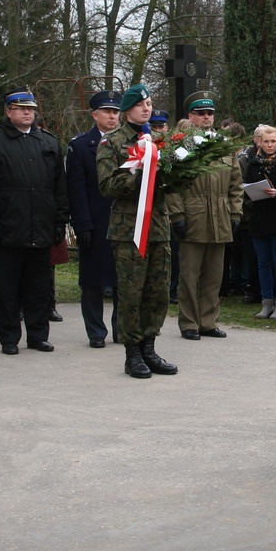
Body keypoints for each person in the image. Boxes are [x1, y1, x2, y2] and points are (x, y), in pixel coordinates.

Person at [0, 87, 68, 355]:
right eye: (21, 108)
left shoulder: (47, 141)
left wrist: (60, 220)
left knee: (38, 287)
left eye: (31, 108)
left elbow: (60, 186)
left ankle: (38, 335)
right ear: (8, 111)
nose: (27, 112)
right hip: (8, 226)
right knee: (8, 287)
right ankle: (9, 337)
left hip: (41, 225)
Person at [96, 84, 178, 378]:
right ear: (127, 109)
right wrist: (140, 176)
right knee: (132, 292)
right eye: (142, 104)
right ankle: (132, 353)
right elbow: (107, 186)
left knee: (157, 292)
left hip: (157, 226)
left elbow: (169, 182)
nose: (147, 108)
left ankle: (149, 348)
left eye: (150, 103)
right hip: (128, 229)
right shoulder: (112, 143)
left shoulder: (159, 141)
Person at [170, 91, 243, 340]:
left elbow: (236, 184)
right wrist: (177, 214)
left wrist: (235, 213)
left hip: (219, 216)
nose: (206, 117)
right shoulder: (183, 146)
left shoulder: (224, 146)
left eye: (210, 113)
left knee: (214, 275)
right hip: (193, 215)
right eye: (201, 113)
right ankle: (189, 322)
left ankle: (208, 321)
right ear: (191, 116)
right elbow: (172, 183)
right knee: (190, 275)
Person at [66, 90, 121, 348]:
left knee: (123, 279)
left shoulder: (128, 143)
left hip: (124, 221)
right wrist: (82, 224)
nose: (112, 116)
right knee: (92, 282)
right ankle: (96, 332)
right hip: (95, 221)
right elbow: (76, 189)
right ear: (95, 115)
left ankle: (122, 329)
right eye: (107, 111)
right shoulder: (80, 145)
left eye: (115, 112)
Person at [244, 125, 276, 320]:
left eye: (273, 141)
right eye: (266, 141)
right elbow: (245, 187)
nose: (270, 145)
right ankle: (266, 302)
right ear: (259, 142)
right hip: (259, 217)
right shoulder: (253, 163)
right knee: (263, 262)